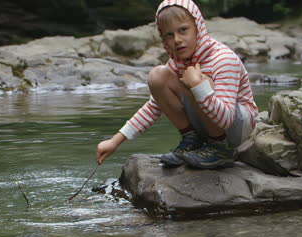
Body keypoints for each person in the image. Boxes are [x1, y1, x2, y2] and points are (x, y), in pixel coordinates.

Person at [96, 0, 258, 169]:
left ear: (198, 27)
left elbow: (226, 119)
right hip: (211, 121)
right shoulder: (178, 61)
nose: (177, 40)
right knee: (158, 76)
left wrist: (198, 86)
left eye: (183, 30)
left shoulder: (223, 58)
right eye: (169, 35)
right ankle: (192, 140)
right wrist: (115, 141)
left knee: (197, 81)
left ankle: (220, 149)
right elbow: (155, 106)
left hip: (238, 128)